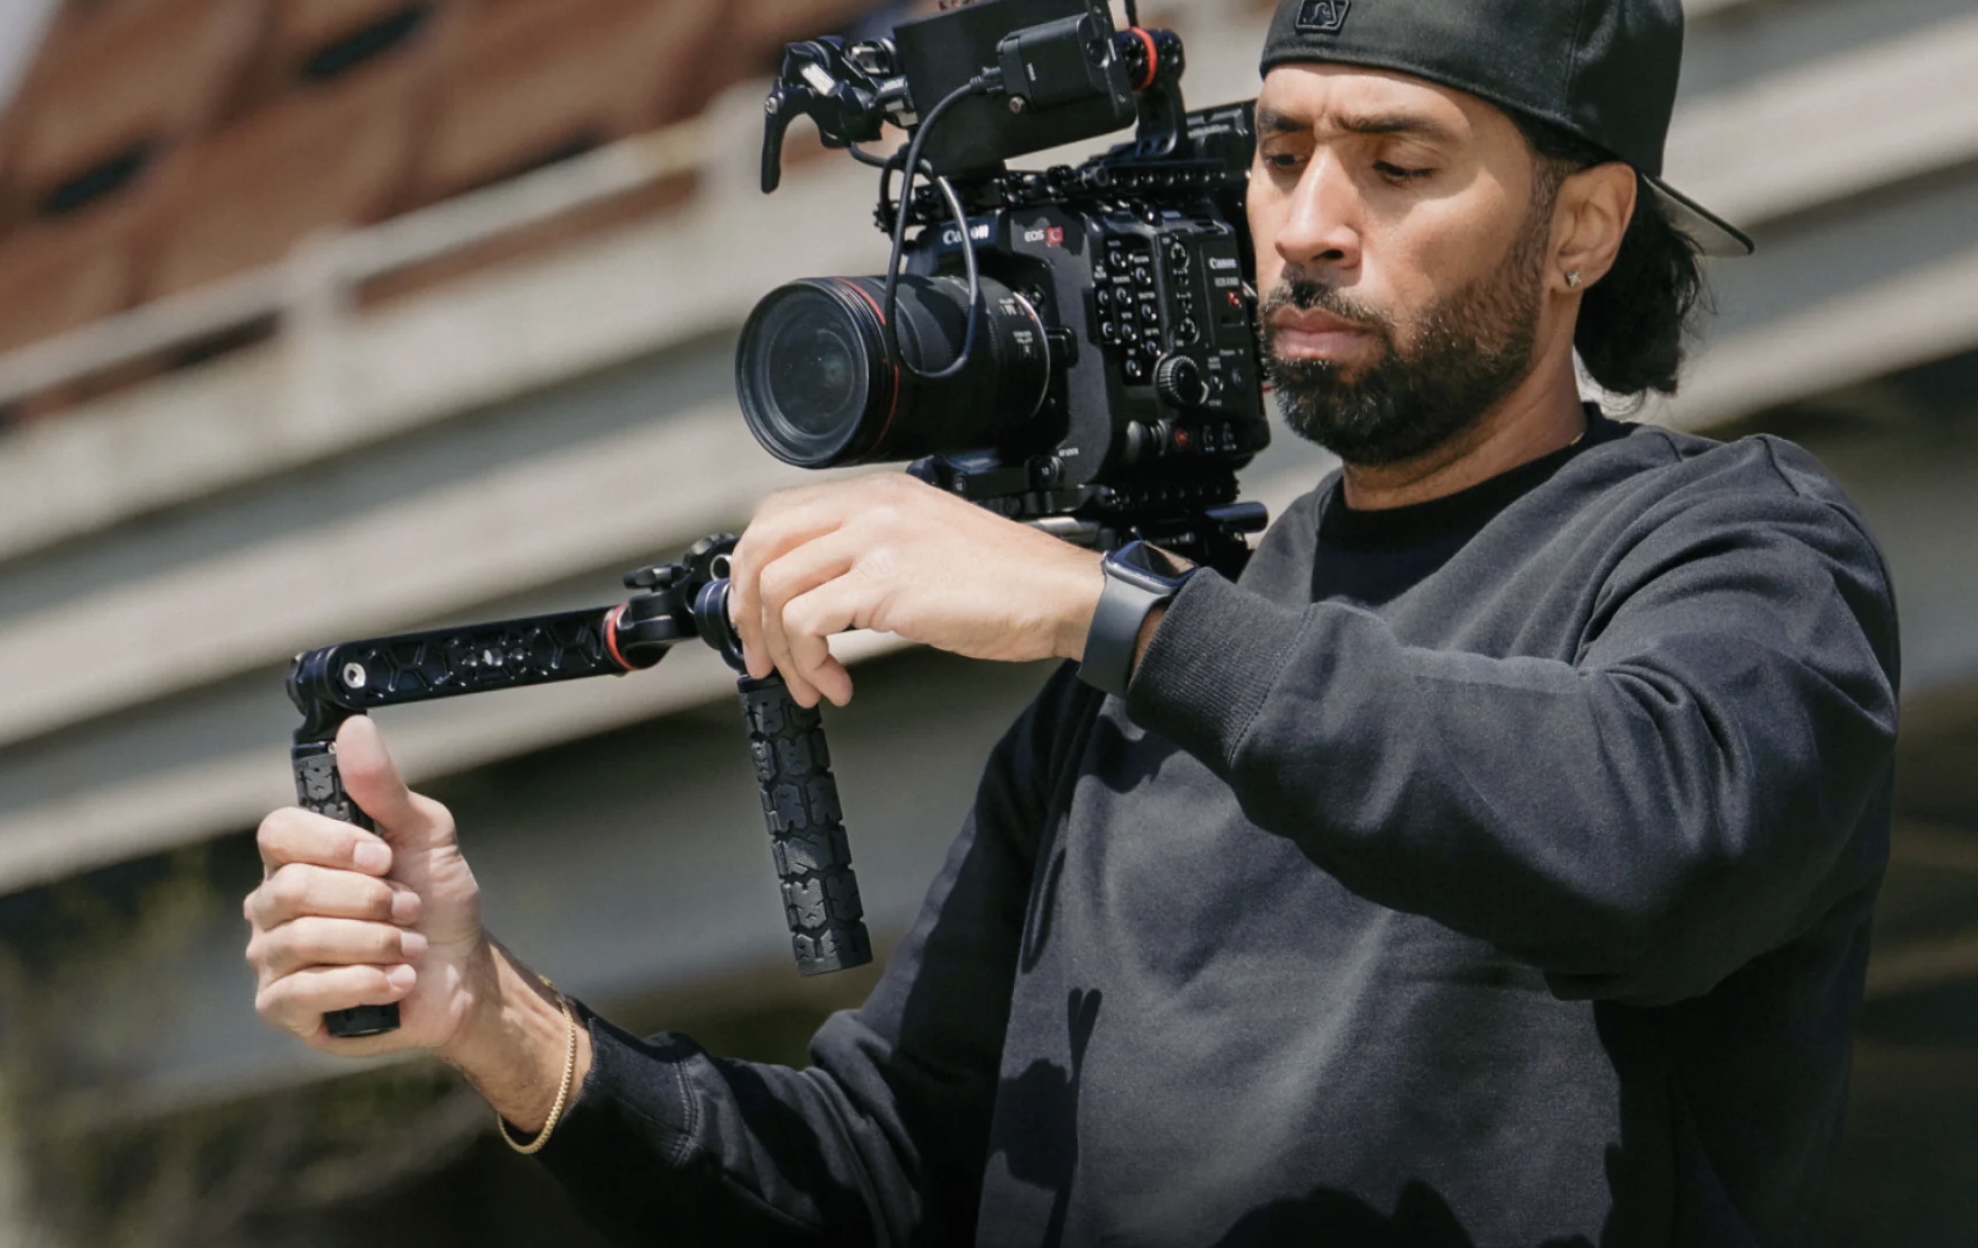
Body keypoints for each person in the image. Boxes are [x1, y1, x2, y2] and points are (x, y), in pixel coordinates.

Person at [243, 0, 1899, 1242]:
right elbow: (878, 1176)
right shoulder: (1130, 680)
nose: (1306, 224)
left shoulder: (1727, 546)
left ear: (1582, 226)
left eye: (1398, 167)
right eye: (1278, 156)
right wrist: (498, 1020)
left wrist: (1109, 614)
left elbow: (1653, 847)